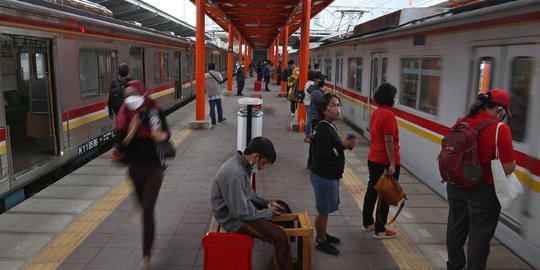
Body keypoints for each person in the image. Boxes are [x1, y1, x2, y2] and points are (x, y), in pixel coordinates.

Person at [446, 89, 516, 270]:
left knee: (455, 227)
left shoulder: (462, 120)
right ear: (500, 110)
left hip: (456, 184)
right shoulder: (500, 129)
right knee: (479, 236)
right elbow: (508, 167)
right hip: (483, 190)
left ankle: (454, 265)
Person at [211, 137, 293, 270]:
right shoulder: (236, 173)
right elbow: (242, 213)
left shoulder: (240, 166)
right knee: (280, 236)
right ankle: (284, 261)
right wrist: (267, 213)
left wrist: (267, 203)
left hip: (239, 210)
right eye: (263, 163)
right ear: (255, 156)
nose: (262, 167)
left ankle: (283, 258)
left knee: (282, 206)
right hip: (233, 219)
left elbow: (250, 195)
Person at [115, 80, 170, 268]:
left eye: (133, 93)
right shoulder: (123, 117)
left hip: (154, 167)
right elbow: (119, 148)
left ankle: (146, 256)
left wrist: (160, 136)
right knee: (143, 208)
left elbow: (167, 134)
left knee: (147, 210)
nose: (130, 98)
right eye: (127, 95)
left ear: (142, 93)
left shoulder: (155, 111)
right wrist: (131, 131)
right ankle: (148, 235)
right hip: (134, 170)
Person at [310, 93, 356, 255]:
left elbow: (330, 149)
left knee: (326, 209)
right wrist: (342, 146)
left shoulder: (328, 125)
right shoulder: (323, 129)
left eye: (338, 105)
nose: (337, 108)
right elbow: (324, 156)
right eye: (333, 105)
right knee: (323, 210)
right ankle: (320, 241)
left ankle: (323, 234)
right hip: (324, 176)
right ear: (323, 110)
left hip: (328, 176)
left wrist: (343, 145)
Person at [362, 83, 400, 239]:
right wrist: (392, 163)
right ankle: (380, 229)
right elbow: (389, 140)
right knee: (385, 194)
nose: (395, 99)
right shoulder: (389, 115)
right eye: (394, 96)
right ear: (390, 98)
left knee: (372, 190)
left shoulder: (376, 113)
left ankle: (368, 222)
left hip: (373, 158)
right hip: (385, 161)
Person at [307, 72, 325, 168]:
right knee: (316, 142)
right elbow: (324, 102)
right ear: (315, 81)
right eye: (321, 80)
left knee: (315, 141)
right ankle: (312, 162)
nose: (323, 81)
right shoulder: (317, 92)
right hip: (317, 119)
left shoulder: (314, 90)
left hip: (315, 118)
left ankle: (311, 162)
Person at [205, 63, 227, 127]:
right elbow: (221, 79)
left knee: (212, 108)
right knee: (219, 107)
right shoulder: (218, 73)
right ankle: (220, 119)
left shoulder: (205, 75)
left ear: (208, 68)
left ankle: (213, 121)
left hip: (210, 94)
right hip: (217, 93)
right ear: (214, 68)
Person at [303, 70, 315, 142]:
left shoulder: (307, 83)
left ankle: (308, 134)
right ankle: (307, 135)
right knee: (310, 120)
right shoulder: (313, 84)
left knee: (309, 119)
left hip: (306, 103)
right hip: (310, 103)